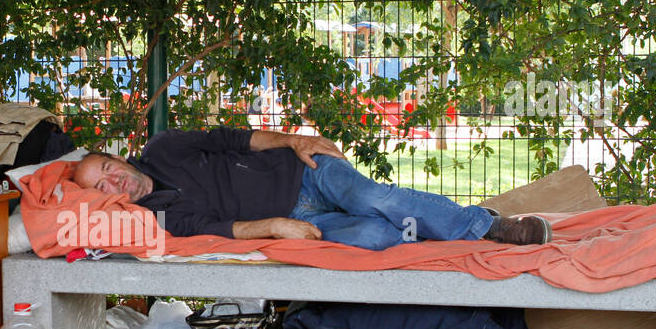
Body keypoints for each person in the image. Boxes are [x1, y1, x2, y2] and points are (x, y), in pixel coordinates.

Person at [71, 127, 550, 250]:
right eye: (104, 187)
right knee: (375, 237)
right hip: (305, 218)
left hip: (306, 171)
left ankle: (488, 225)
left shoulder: (166, 147)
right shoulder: (155, 217)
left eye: (108, 168)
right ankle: (438, 223)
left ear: (118, 157)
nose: (116, 181)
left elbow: (233, 138)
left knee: (369, 197)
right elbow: (217, 228)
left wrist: (294, 140)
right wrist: (276, 226)